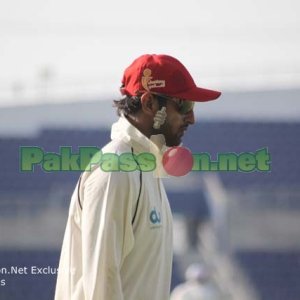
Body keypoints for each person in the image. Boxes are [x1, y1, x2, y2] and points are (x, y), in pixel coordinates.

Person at [54, 54, 221, 300]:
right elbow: (101, 285)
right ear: (149, 103)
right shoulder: (117, 170)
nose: (192, 118)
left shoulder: (142, 168)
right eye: (183, 106)